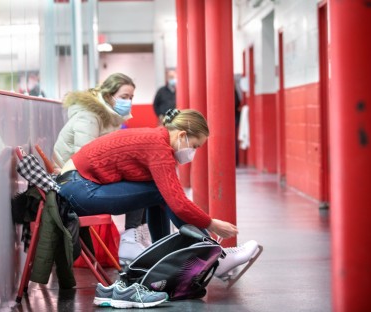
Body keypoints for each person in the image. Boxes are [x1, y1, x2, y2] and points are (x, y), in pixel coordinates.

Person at [55, 109, 259, 278]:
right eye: (195, 146)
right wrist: (211, 223)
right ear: (181, 136)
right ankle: (216, 257)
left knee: (159, 191)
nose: (193, 153)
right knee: (162, 193)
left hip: (76, 186)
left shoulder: (157, 140)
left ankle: (182, 257)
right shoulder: (159, 148)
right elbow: (178, 203)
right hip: (78, 188)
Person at [52, 72, 152, 264]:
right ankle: (131, 239)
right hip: (73, 186)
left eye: (131, 98)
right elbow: (85, 160)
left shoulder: (108, 118)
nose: (129, 102)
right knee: (143, 184)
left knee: (147, 180)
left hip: (84, 180)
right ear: (108, 96)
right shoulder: (89, 117)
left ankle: (135, 237)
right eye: (124, 97)